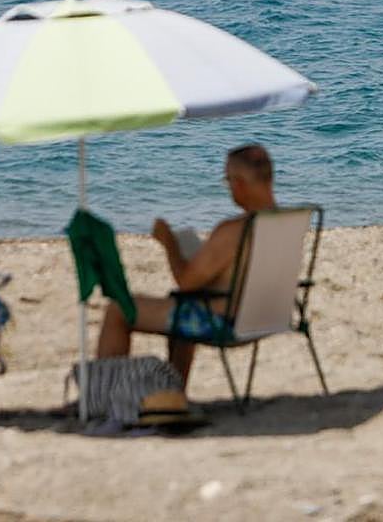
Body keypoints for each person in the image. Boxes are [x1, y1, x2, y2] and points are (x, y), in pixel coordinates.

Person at [96, 144, 277, 387]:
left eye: (228, 180)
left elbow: (186, 282)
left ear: (239, 183)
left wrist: (169, 243)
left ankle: (100, 398)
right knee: (186, 304)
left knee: (119, 309)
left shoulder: (233, 231)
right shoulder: (287, 222)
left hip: (224, 323)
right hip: (270, 316)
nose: (229, 187)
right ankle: (174, 391)